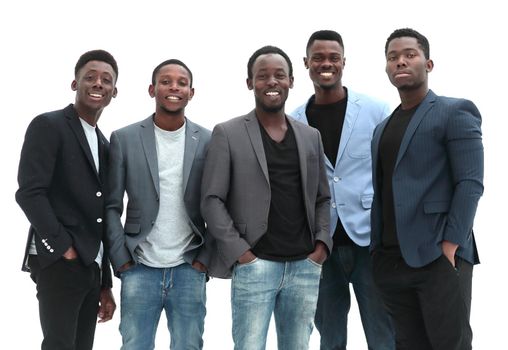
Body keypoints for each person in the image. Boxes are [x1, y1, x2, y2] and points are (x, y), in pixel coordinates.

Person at [201, 45, 332, 350]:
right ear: (250, 83)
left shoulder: (310, 136)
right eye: (263, 76)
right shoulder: (228, 132)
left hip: (304, 264)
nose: (272, 82)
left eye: (279, 75)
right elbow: (211, 200)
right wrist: (242, 254)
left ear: (291, 81)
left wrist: (321, 246)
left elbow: (323, 198)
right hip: (255, 264)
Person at [370, 28, 484, 350]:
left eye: (409, 54)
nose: (400, 62)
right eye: (393, 57)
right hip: (391, 261)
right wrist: (376, 253)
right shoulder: (382, 128)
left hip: (438, 257)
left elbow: (470, 183)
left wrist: (449, 246)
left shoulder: (455, 111)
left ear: (428, 64)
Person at [291, 30, 395, 350]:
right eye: (318, 57)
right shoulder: (293, 121)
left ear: (344, 63)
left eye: (333, 58)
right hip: (321, 247)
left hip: (370, 243)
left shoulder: (377, 110)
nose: (326, 63)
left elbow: (394, 171)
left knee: (384, 335)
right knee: (330, 338)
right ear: (306, 63)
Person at [15, 49, 118, 350]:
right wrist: (63, 247)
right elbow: (30, 192)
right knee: (60, 345)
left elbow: (101, 215)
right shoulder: (49, 125)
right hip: (60, 261)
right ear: (75, 84)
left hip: (91, 266)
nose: (98, 83)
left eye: (106, 80)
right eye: (90, 77)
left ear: (114, 91)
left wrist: (105, 283)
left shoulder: (105, 144)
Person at [105, 59, 212, 350]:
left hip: (189, 265)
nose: (174, 87)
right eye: (166, 81)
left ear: (192, 92)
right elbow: (112, 205)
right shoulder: (124, 139)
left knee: (188, 346)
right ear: (152, 89)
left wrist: (205, 258)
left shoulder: (208, 140)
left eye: (182, 82)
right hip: (139, 266)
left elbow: (218, 203)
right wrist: (121, 259)